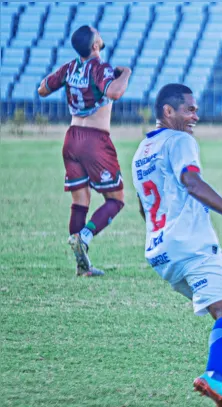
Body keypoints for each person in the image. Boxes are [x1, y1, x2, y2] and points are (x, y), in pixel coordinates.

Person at [131, 83, 222, 407]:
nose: (196, 115)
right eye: (189, 110)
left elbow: (143, 206)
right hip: (190, 245)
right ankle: (213, 375)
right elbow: (191, 182)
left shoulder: (142, 151)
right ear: (168, 112)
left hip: (159, 251)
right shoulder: (181, 140)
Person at [37, 25, 132, 276]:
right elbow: (116, 92)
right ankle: (86, 237)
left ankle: (82, 266)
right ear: (95, 46)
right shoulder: (100, 67)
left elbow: (42, 89)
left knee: (80, 201)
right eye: (97, 33)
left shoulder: (70, 67)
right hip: (95, 139)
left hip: (71, 138)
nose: (101, 34)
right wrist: (126, 73)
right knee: (117, 200)